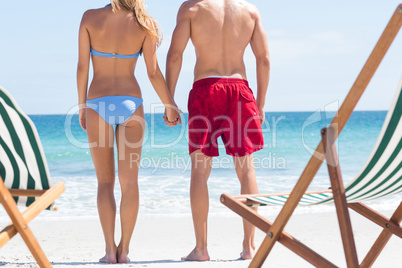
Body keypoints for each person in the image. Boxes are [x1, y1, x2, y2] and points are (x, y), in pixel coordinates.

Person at [165, 0, 270, 261]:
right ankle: (249, 247)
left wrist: (169, 101)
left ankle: (201, 249)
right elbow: (263, 59)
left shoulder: (191, 9)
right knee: (246, 169)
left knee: (200, 171)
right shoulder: (249, 11)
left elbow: (175, 55)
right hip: (240, 90)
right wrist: (261, 103)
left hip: (205, 90)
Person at [77, 0, 180, 264]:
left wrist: (81, 107)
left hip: (97, 103)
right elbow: (153, 72)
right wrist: (170, 105)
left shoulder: (89, 17)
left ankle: (110, 251)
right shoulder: (146, 24)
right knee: (130, 183)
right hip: (131, 104)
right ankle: (124, 251)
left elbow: (82, 68)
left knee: (104, 182)